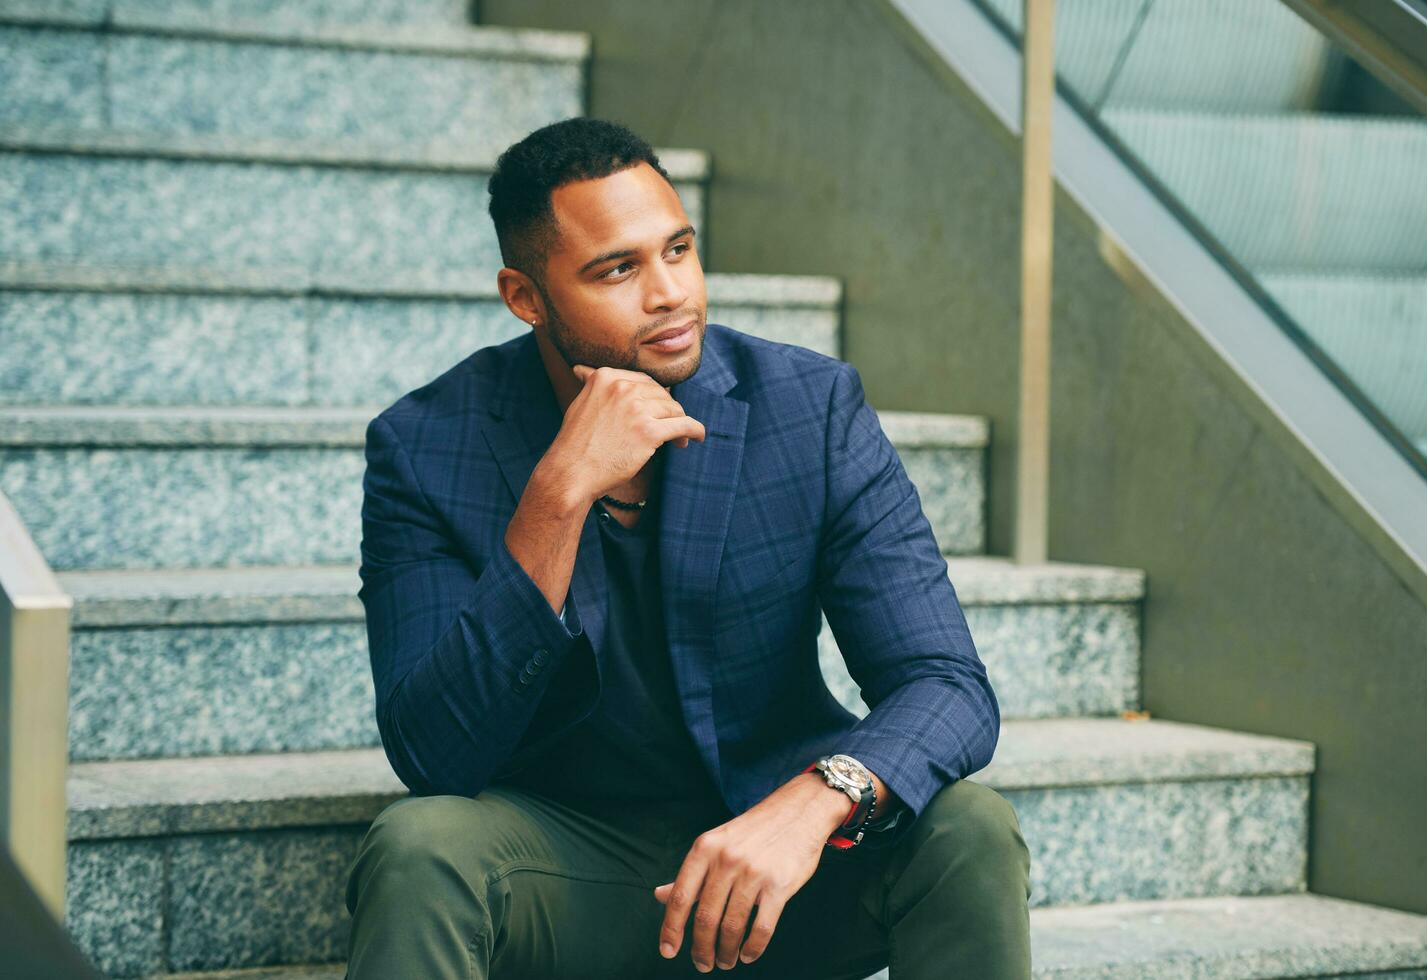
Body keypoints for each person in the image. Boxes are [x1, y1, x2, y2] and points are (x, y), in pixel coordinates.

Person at [343, 116, 1031, 979]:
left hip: (782, 869)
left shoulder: (805, 409)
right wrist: (555, 497)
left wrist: (815, 802)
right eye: (617, 269)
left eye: (678, 249)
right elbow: (434, 755)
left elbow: (946, 684)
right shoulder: (424, 446)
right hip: (574, 868)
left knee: (970, 827)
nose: (669, 293)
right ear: (525, 298)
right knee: (419, 847)